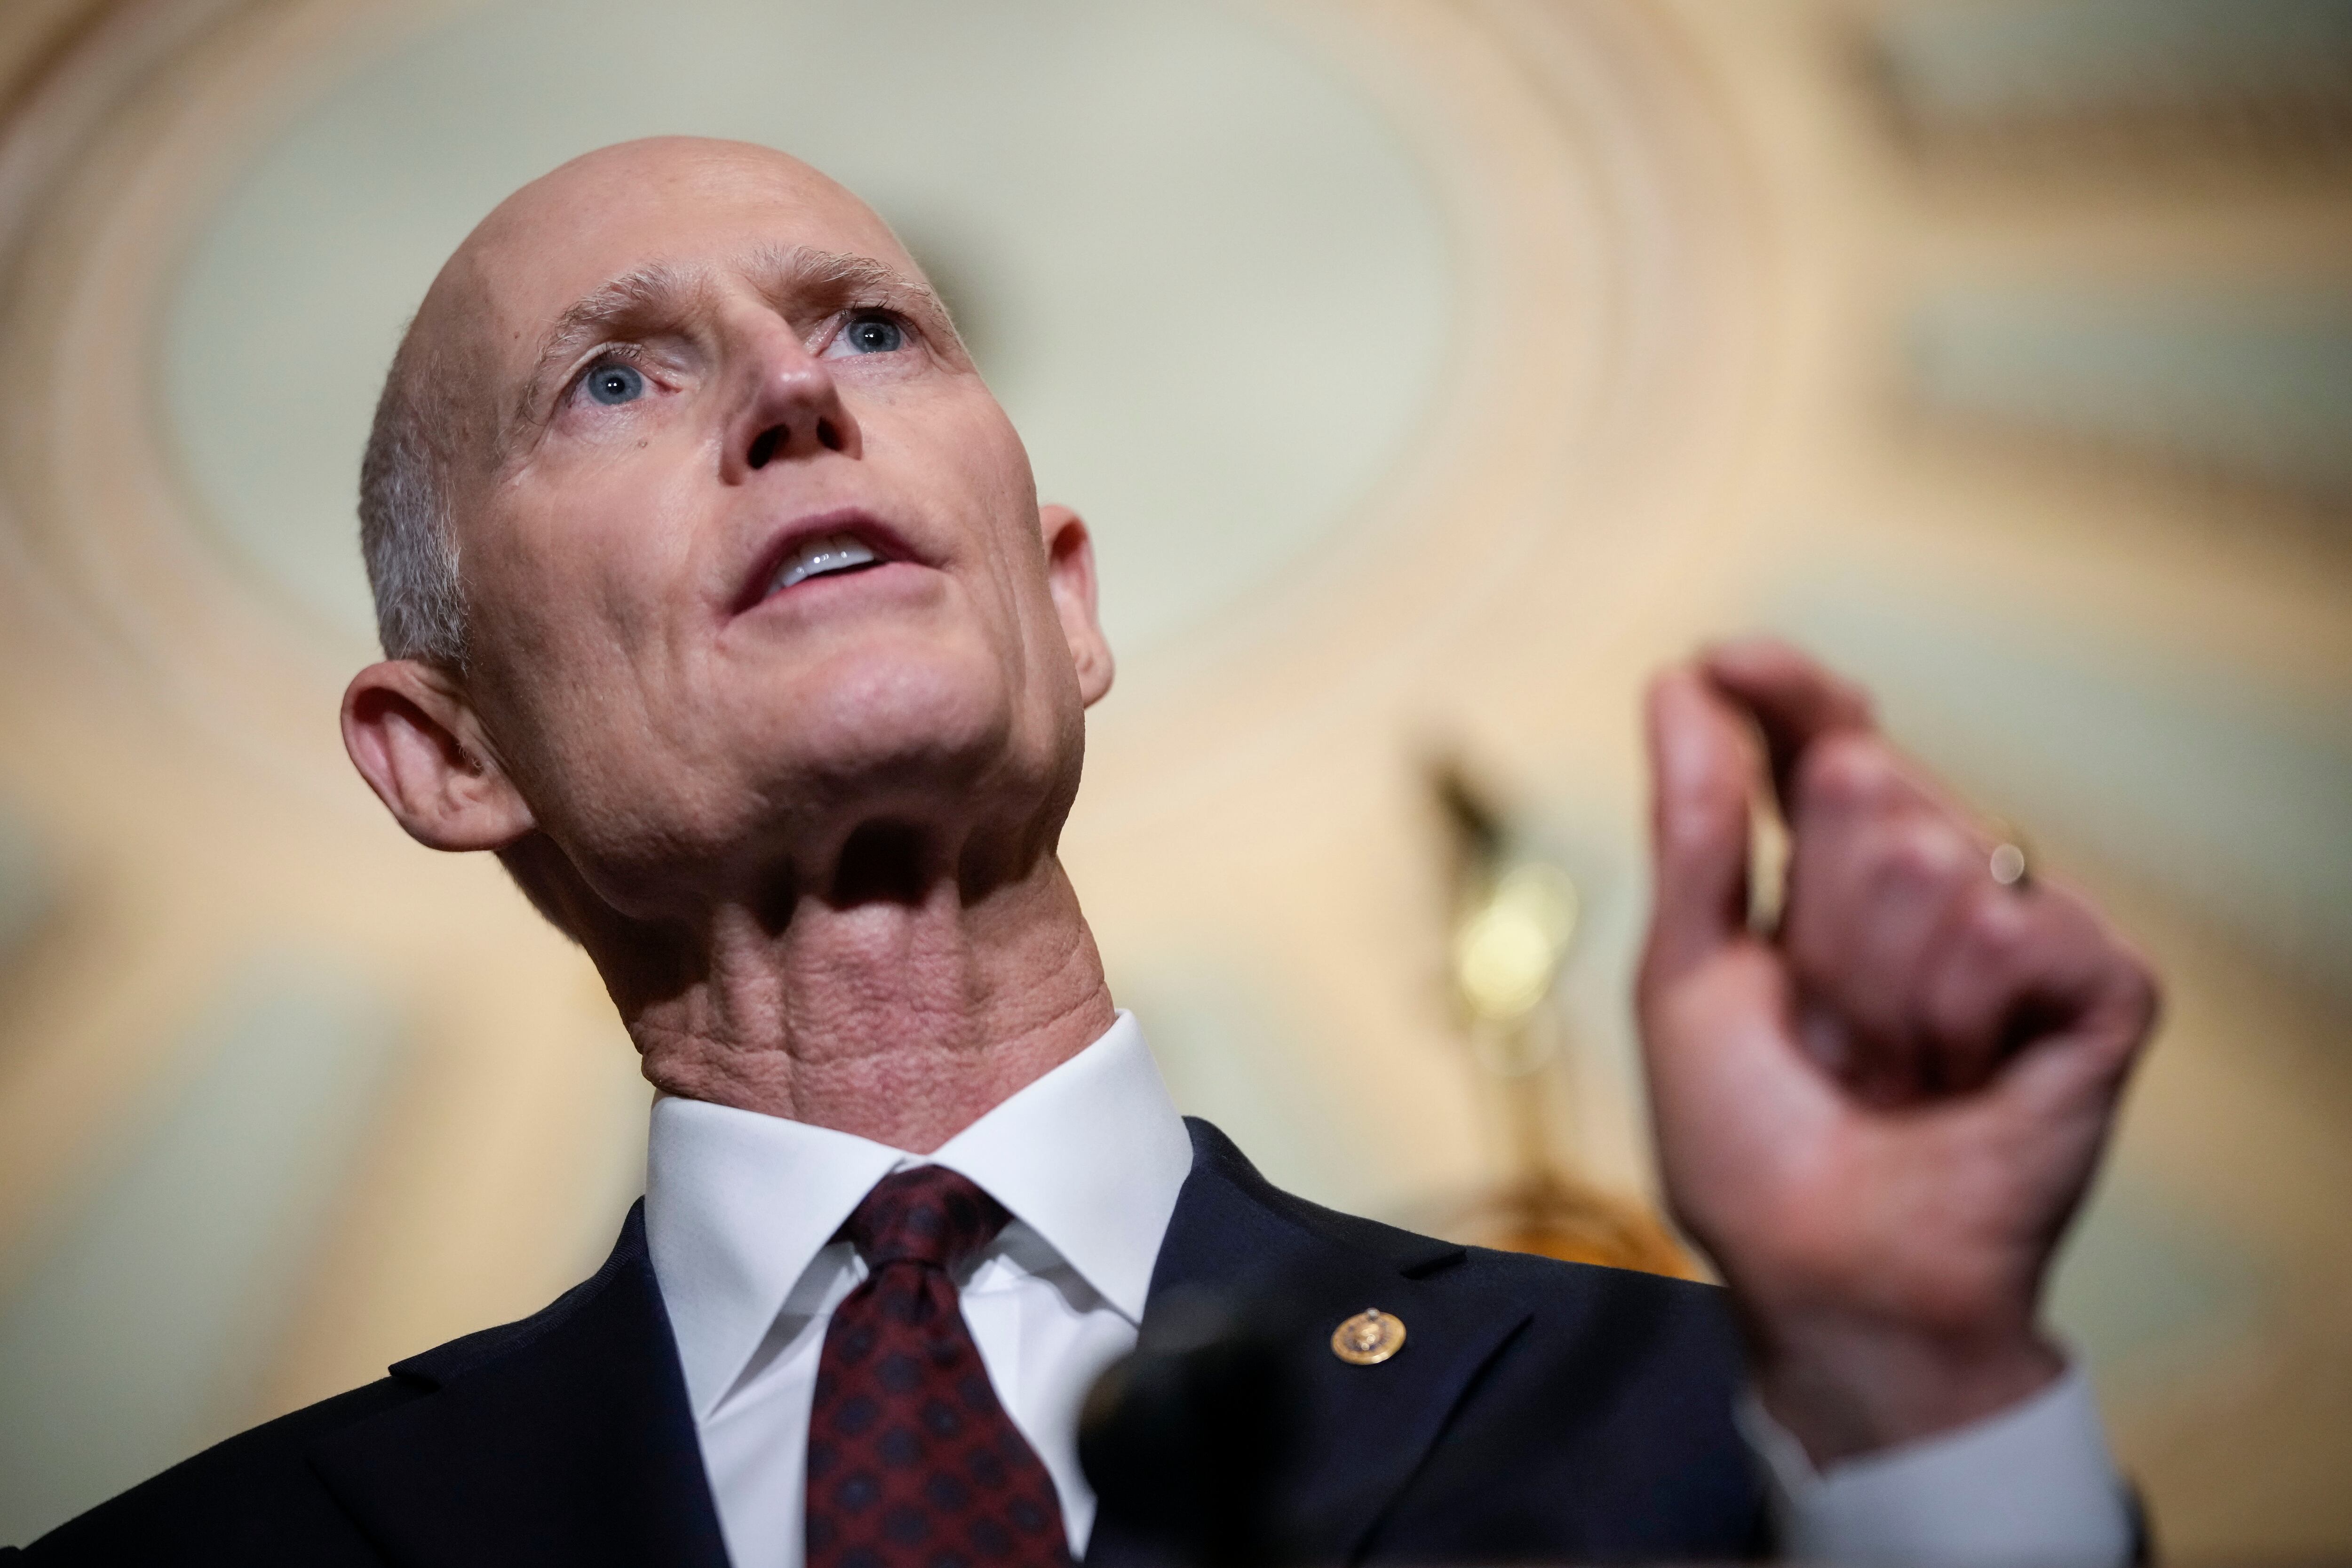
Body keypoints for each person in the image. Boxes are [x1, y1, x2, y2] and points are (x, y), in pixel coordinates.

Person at [9, 138, 2155, 1568]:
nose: (790, 395)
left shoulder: (1732, 1440)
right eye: (612, 380)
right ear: (445, 752)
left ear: (1062, 599)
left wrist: (1912, 1382)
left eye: (869, 327)